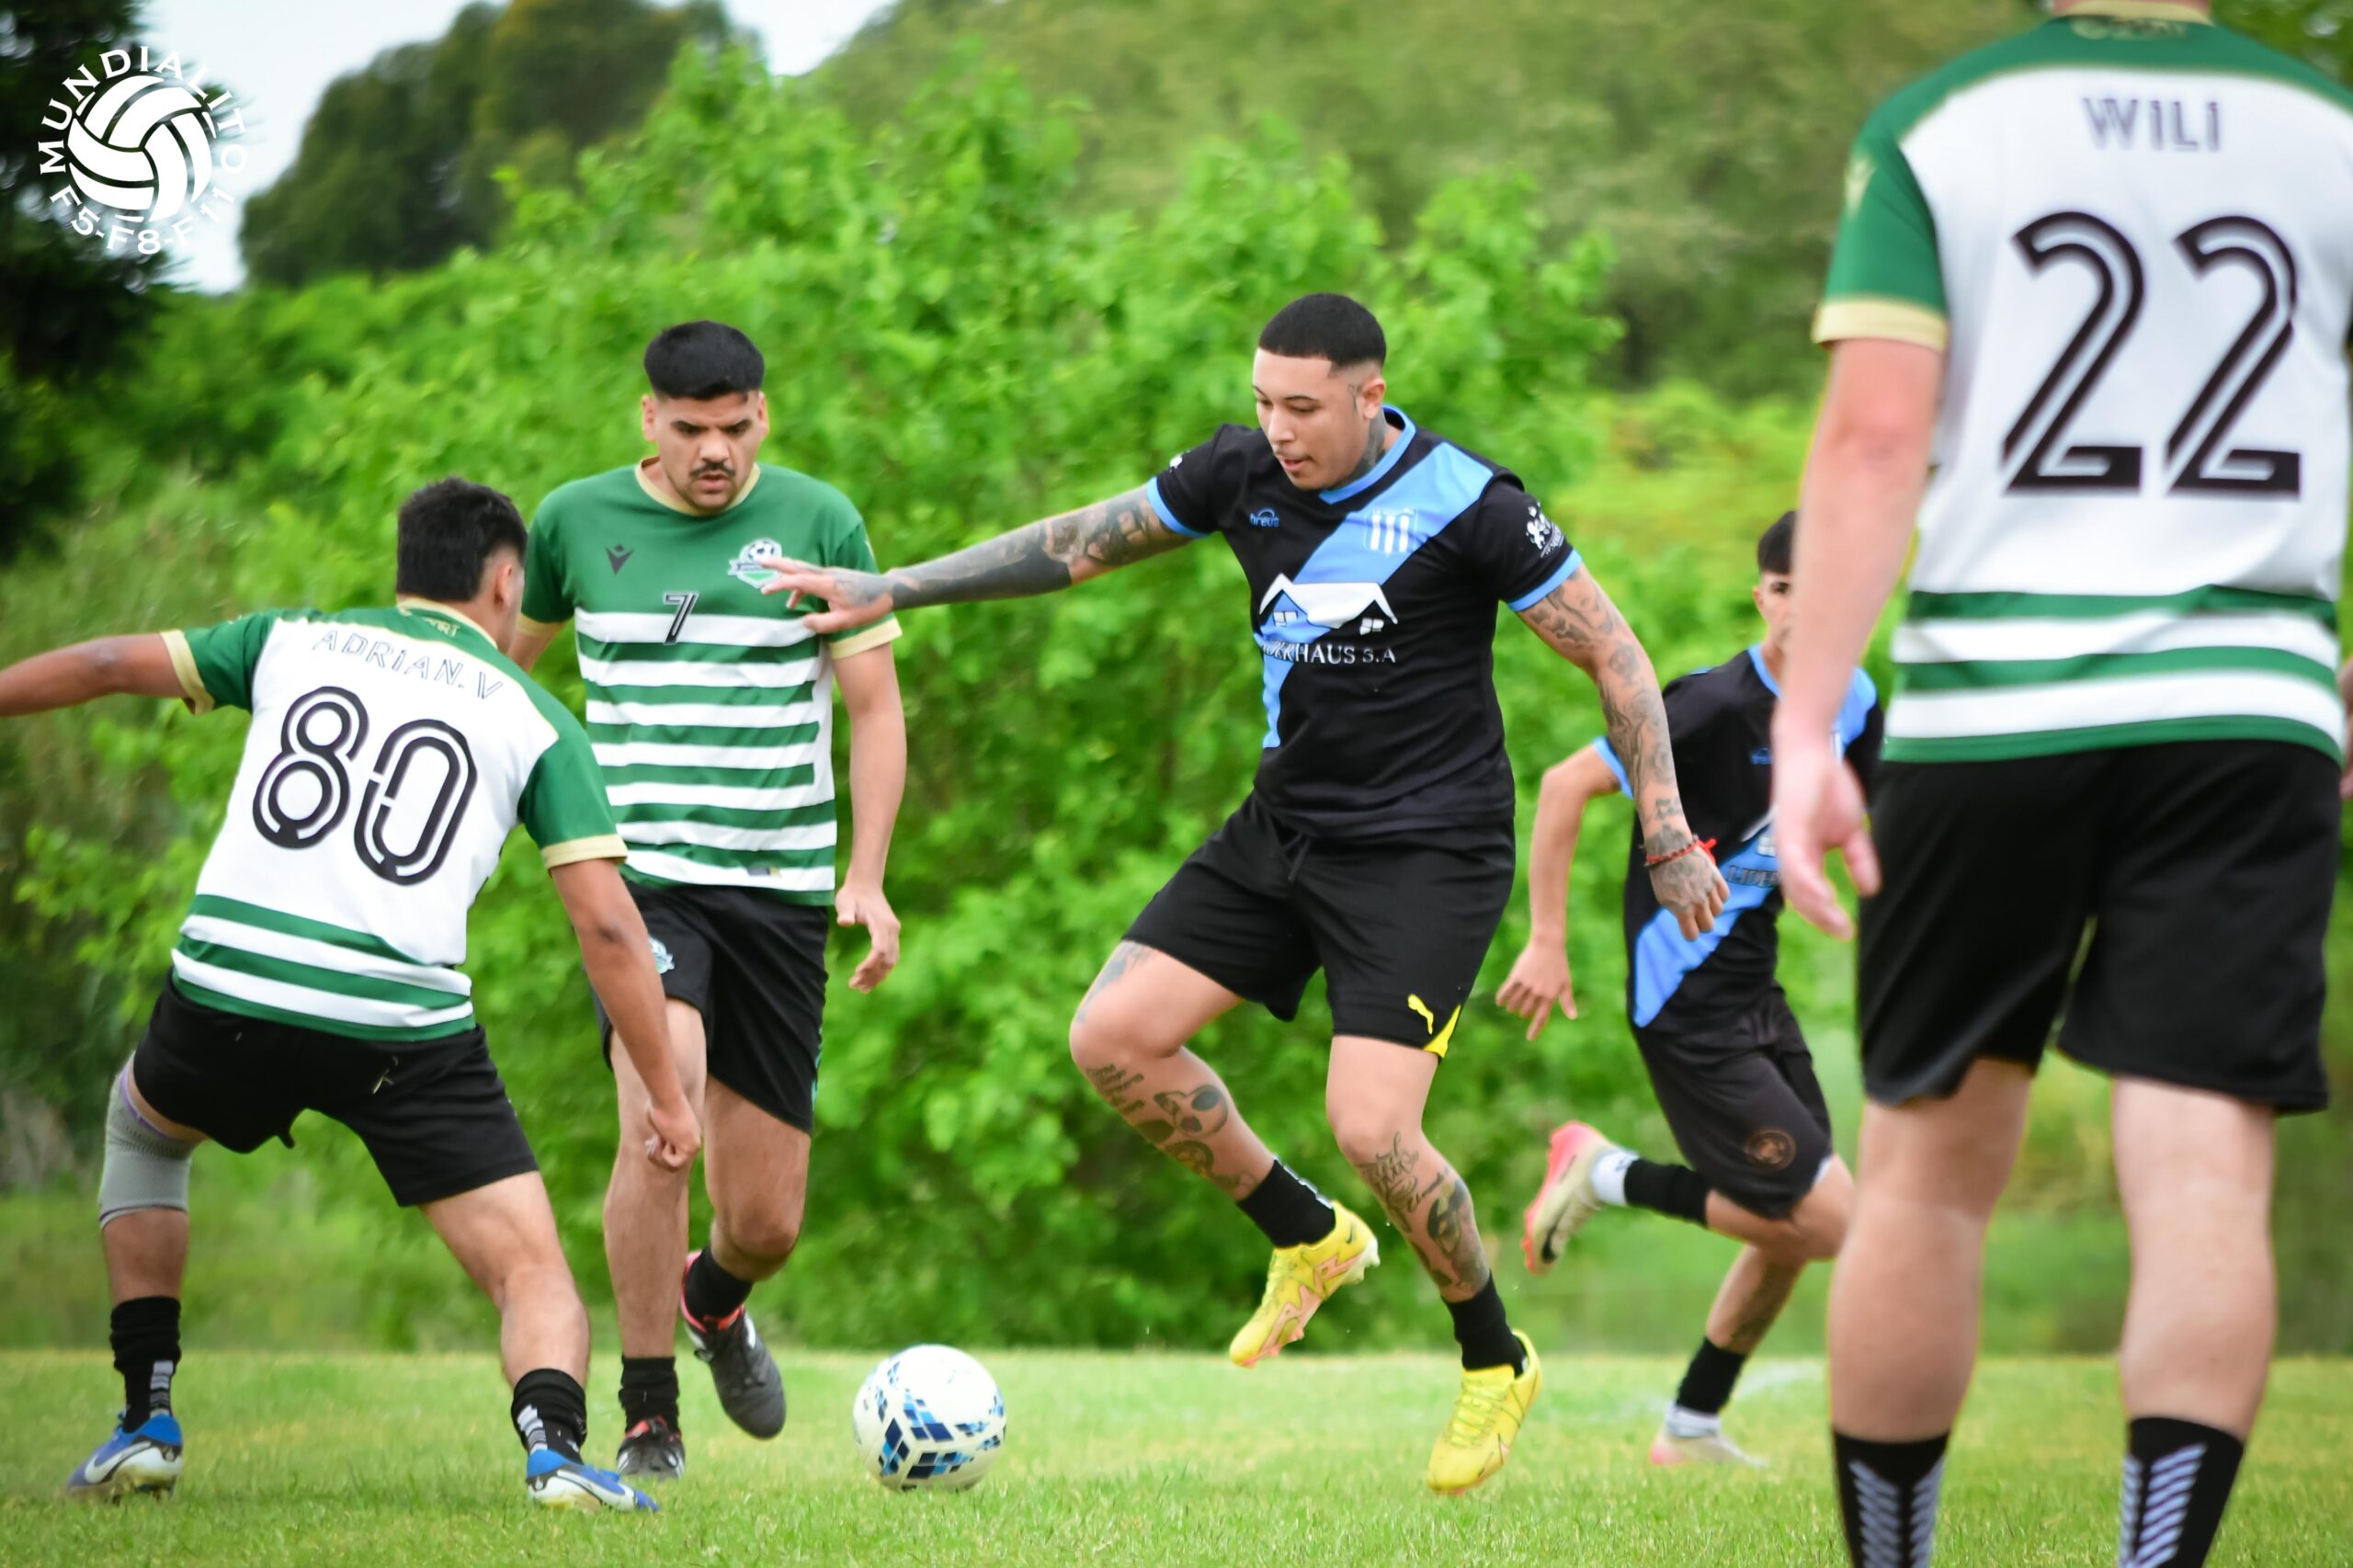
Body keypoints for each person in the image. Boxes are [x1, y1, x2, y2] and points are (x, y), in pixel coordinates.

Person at [755, 291, 1727, 1494]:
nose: (1278, 428)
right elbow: (1078, 542)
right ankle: (1306, 1233)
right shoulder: (1240, 471)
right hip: (1283, 831)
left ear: (1371, 396)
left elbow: (1616, 653)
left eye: (1304, 406)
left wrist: (1667, 831)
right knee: (1110, 1036)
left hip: (1426, 855)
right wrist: (896, 586)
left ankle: (1493, 1354)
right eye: (1264, 401)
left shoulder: (1471, 502)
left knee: (1373, 1129)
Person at [1769, 5, 2353, 1564]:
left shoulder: (1941, 126)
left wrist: (1808, 725)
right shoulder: (2329, 134)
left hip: (1995, 710)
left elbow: (1875, 437)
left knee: (1927, 1181)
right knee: (2207, 1182)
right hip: (2246, 709)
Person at [4, 479, 701, 1512]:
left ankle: (145, 1417)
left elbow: (108, 664)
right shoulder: (537, 718)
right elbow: (607, 927)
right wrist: (668, 1098)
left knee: (145, 1130)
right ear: (507, 582)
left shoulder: (291, 639)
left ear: (406, 566)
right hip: (400, 1021)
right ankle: (554, 1449)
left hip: (232, 984)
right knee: (527, 1266)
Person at [509, 321, 908, 1478]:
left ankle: (715, 1298)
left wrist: (867, 875)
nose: (715, 451)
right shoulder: (572, 523)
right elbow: (501, 675)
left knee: (767, 1221)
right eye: (690, 429)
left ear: (762, 416)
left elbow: (875, 708)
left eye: (735, 427)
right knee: (662, 1098)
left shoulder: (821, 522)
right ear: (650, 419)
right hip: (643, 881)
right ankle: (649, 1414)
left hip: (780, 889)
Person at [1504, 511, 1880, 1467]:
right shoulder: (1708, 708)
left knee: (1794, 1223)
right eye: (1784, 590)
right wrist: (1546, 939)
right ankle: (1605, 1173)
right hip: (1684, 1004)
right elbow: (1563, 787)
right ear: (1761, 596)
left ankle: (1690, 1425)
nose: (1801, 610)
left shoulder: (1858, 701)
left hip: (1757, 989)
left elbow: (1863, 827)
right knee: (1831, 1217)